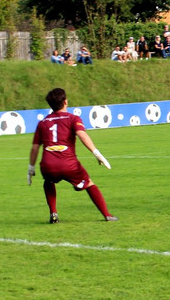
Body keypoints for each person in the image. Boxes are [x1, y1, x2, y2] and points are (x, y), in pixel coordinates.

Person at [28, 87, 117, 223]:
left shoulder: (42, 123)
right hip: (68, 164)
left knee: (48, 181)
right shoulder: (72, 118)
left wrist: (31, 168)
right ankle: (107, 215)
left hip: (48, 164)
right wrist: (97, 153)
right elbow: (82, 135)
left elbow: (35, 148)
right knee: (89, 183)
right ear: (65, 102)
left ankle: (53, 213)